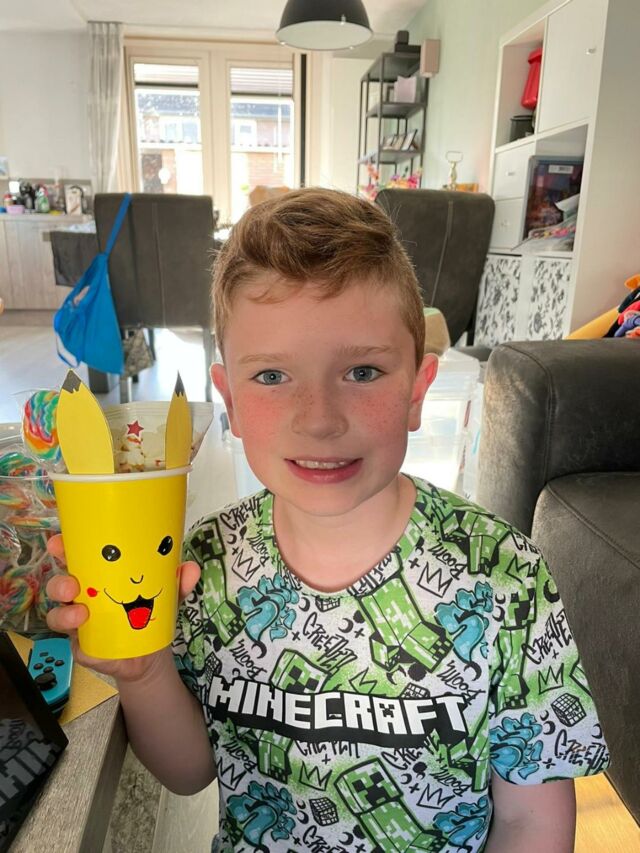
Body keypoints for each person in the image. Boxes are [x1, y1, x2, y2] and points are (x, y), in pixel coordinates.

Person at [47, 188, 609, 853]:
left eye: (362, 371)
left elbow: (530, 821)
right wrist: (143, 673)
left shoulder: (506, 576)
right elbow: (189, 771)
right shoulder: (204, 565)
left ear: (417, 390)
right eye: (272, 376)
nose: (318, 419)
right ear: (229, 400)